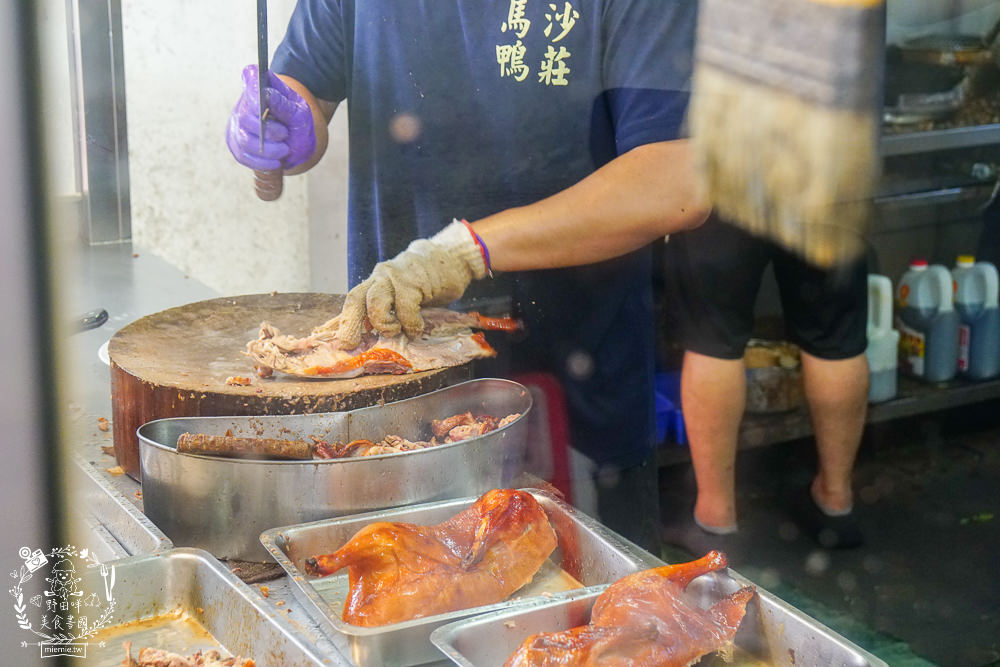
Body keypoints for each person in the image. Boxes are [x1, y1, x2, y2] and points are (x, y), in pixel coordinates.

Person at [227, 1, 709, 553]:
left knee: (585, 615)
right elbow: (308, 80)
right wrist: (286, 117)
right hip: (396, 370)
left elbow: (675, 181)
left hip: (572, 389)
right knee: (395, 589)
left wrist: (466, 249)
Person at [663, 214, 868, 553]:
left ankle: (715, 520)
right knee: (836, 332)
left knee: (712, 335)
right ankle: (835, 502)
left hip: (727, 170)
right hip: (824, 167)